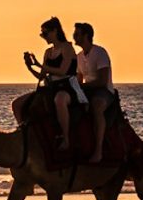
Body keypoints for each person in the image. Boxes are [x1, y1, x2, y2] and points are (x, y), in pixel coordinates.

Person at [23, 17, 83, 155]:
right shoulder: (48, 52)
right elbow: (41, 76)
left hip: (67, 86)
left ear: (55, 31)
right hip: (51, 87)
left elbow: (63, 71)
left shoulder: (67, 48)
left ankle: (66, 139)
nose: (44, 37)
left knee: (59, 100)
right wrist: (30, 66)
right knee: (20, 104)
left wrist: (39, 64)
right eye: (42, 34)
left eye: (46, 33)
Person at [73, 22, 117, 163]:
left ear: (86, 36)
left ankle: (98, 150)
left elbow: (102, 81)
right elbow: (79, 79)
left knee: (97, 105)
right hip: (87, 90)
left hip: (103, 91)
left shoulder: (100, 53)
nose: (74, 36)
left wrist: (82, 88)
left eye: (77, 34)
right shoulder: (79, 56)